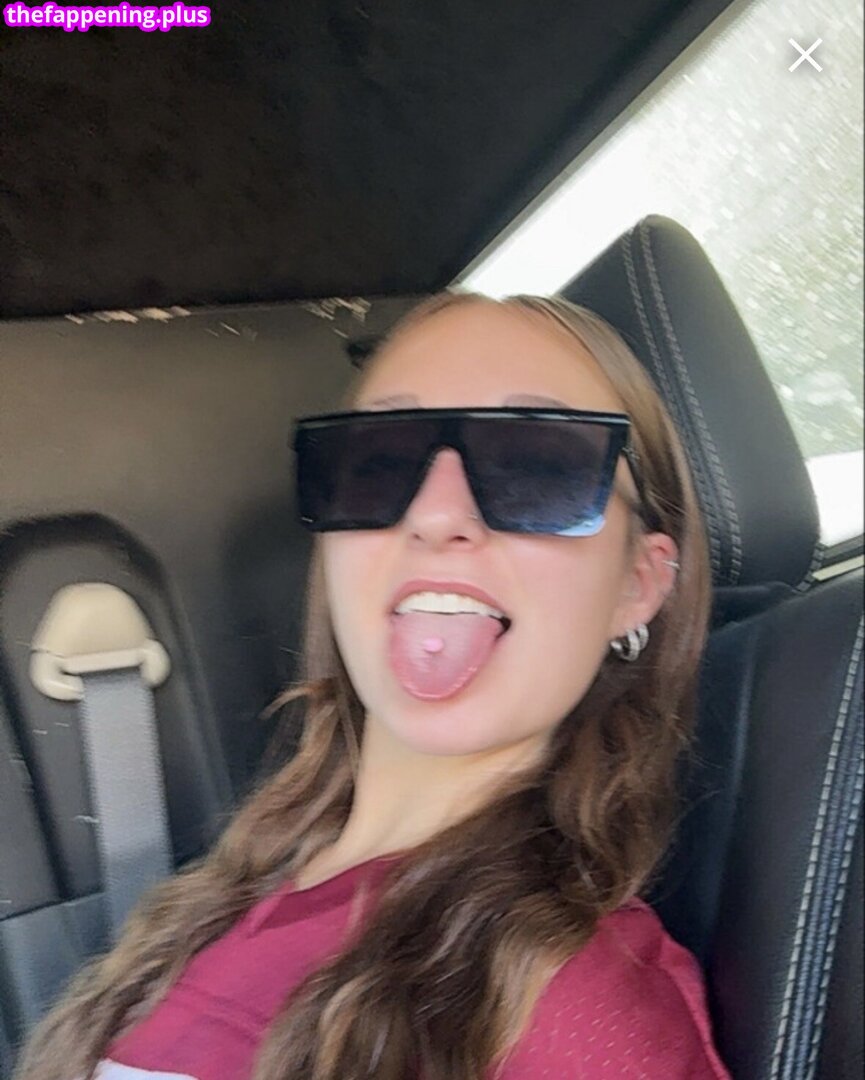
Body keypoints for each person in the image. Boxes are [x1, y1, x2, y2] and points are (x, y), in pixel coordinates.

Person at [14, 293, 732, 1080]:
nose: (435, 513)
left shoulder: (582, 1014)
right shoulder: (227, 892)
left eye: (535, 466)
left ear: (636, 584)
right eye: (381, 462)